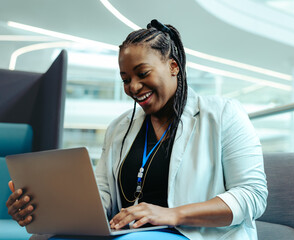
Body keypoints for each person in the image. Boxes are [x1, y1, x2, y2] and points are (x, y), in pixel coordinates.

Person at [6, 19, 268, 239]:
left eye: (143, 73)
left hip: (191, 233)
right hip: (129, 233)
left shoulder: (223, 114)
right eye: (125, 79)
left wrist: (171, 213)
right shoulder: (119, 128)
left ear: (173, 66)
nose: (133, 87)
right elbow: (103, 196)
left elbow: (252, 195)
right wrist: (48, 208)